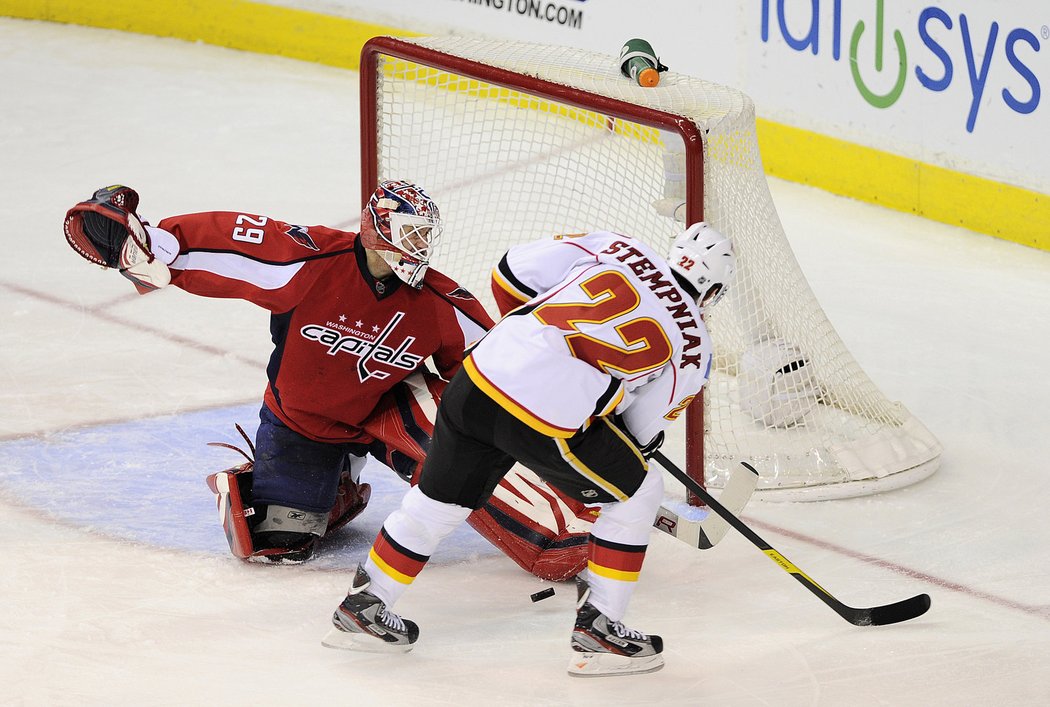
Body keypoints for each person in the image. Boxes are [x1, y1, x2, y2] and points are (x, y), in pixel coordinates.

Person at [61, 182, 597, 579]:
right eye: (410, 232)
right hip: (306, 419)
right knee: (276, 542)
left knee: (468, 428)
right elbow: (235, 241)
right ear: (377, 229)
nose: (419, 246)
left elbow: (499, 367)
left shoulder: (439, 300)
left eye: (425, 236)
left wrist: (570, 413)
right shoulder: (312, 260)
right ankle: (323, 485)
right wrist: (157, 247)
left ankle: (562, 517)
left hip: (390, 411)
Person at [321, 223, 736, 677]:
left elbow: (508, 274)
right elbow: (638, 432)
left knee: (438, 501)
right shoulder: (697, 345)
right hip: (546, 415)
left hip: (481, 375)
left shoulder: (618, 246)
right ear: (713, 291)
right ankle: (602, 629)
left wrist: (535, 347)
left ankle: (366, 605)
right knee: (638, 491)